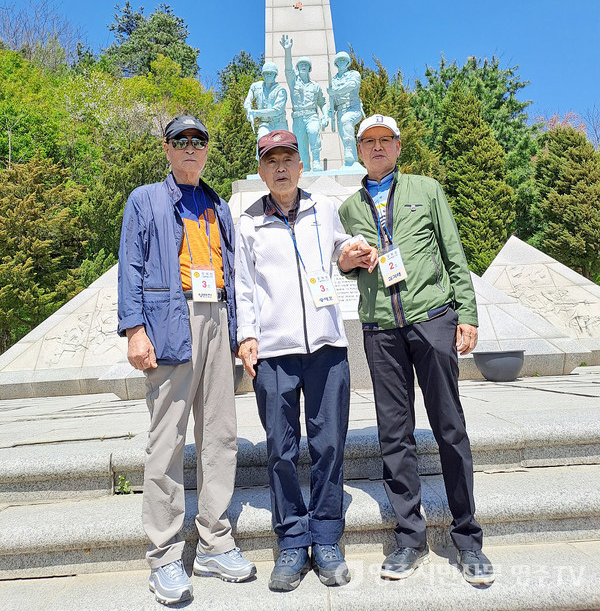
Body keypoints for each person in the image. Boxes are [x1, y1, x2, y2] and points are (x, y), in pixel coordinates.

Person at [338, 114, 494, 586]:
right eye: (370, 141)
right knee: (395, 435)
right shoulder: (348, 208)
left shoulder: (426, 190)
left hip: (432, 320)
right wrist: (348, 264)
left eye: (387, 140)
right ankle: (410, 539)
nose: (379, 147)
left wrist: (466, 313)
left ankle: (468, 538)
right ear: (358, 150)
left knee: (450, 427)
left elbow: (453, 251)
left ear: (399, 147)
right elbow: (345, 264)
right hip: (381, 329)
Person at [117, 114, 255, 606]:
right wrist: (135, 329)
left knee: (219, 433)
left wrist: (241, 335)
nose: (191, 149)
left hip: (216, 314)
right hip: (171, 319)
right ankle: (164, 555)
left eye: (199, 141)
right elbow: (130, 265)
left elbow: (234, 271)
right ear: (167, 148)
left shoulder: (217, 203)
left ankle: (215, 542)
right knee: (167, 439)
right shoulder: (146, 200)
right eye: (182, 141)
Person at [235, 129, 377, 592]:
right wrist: (247, 336)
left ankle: (328, 537)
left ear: (300, 165)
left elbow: (339, 252)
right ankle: (293, 541)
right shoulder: (249, 222)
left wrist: (350, 252)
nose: (280, 167)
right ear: (261, 170)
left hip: (326, 347)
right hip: (274, 352)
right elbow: (243, 286)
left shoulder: (323, 210)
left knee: (329, 444)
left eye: (287, 159)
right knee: (280, 448)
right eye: (270, 160)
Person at [280, 34, 328, 171]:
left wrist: (325, 115)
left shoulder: (315, 86)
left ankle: (317, 162)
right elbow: (288, 69)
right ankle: (305, 167)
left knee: (313, 132)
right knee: (301, 144)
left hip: (311, 115)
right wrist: (287, 50)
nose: (303, 67)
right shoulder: (293, 82)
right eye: (301, 65)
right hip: (298, 117)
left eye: (305, 65)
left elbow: (322, 102)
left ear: (309, 69)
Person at [327, 51, 364, 167]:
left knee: (346, 121)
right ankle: (352, 162)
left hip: (353, 108)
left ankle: (349, 154)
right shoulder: (333, 80)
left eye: (343, 60)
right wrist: (331, 109)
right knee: (344, 136)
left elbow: (352, 85)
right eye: (339, 61)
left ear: (347, 63)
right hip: (341, 110)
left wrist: (336, 91)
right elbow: (333, 99)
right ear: (336, 64)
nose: (341, 62)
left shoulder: (354, 74)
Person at [243, 61, 289, 151]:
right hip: (265, 123)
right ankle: (261, 164)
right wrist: (248, 110)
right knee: (262, 141)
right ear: (263, 74)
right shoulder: (256, 86)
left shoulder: (281, 90)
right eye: (266, 73)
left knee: (283, 147)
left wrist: (255, 113)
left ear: (275, 75)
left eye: (271, 73)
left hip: (279, 123)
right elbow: (248, 101)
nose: (268, 75)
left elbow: (276, 110)